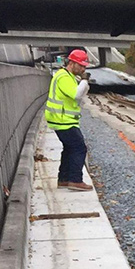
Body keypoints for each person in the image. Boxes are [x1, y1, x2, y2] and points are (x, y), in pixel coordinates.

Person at [46, 49, 92, 191]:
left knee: (69, 148)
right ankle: (75, 180)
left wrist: (84, 82)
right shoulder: (64, 77)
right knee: (79, 148)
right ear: (72, 63)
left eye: (85, 66)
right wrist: (84, 80)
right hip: (62, 120)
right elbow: (77, 94)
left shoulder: (68, 76)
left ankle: (64, 179)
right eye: (81, 65)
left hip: (63, 119)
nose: (83, 68)